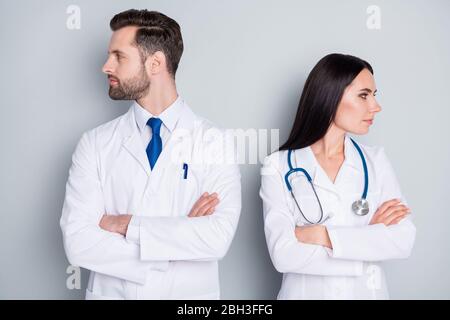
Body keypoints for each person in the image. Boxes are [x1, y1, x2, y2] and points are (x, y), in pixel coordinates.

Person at [60, 9, 241, 300]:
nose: (106, 66)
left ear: (155, 63)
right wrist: (174, 248)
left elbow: (216, 239)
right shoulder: (94, 144)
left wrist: (124, 225)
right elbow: (78, 241)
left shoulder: (213, 142)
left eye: (119, 56)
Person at [260, 53, 416, 299]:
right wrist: (365, 244)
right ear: (330, 97)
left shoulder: (376, 161)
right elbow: (283, 255)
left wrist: (323, 235)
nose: (376, 106)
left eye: (374, 96)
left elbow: (403, 239)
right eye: (364, 95)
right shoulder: (277, 166)